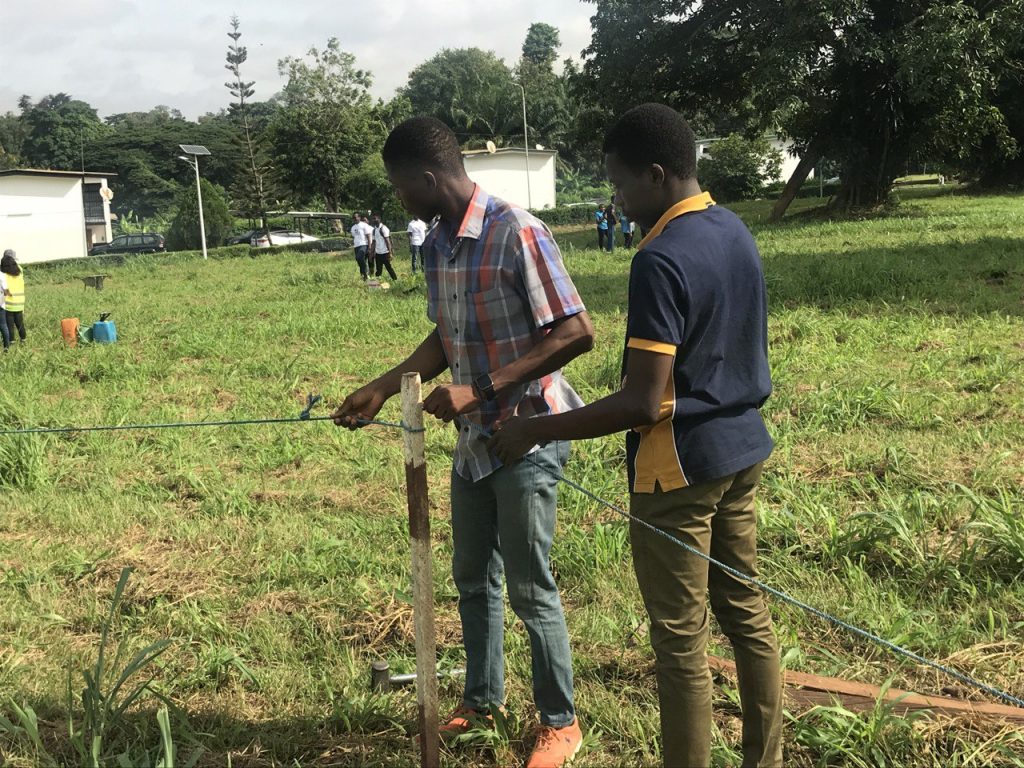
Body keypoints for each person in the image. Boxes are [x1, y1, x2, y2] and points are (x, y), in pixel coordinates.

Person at [490, 103, 783, 768]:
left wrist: (537, 427)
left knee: (681, 642)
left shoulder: (660, 257)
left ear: (656, 175)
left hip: (677, 470)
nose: (617, 201)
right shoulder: (733, 229)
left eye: (620, 185)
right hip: (740, 453)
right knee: (747, 615)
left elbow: (644, 401)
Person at [334, 115, 593, 768]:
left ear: (427, 177)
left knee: (531, 587)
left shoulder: (516, 231)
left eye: (399, 188)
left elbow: (574, 333)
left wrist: (481, 389)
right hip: (474, 444)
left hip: (527, 435)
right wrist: (385, 387)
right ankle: (483, 700)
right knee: (473, 577)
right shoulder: (438, 244)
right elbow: (444, 338)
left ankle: (560, 722)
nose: (398, 201)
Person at [1, 250, 24, 345]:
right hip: (20, 302)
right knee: (20, 324)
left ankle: (12, 342)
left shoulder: (3, 272)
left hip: (8, 302)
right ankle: (23, 340)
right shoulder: (20, 269)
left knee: (9, 325)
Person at [370, 213, 399, 281]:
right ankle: (376, 284)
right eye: (373, 219)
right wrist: (371, 253)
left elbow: (387, 241)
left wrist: (390, 253)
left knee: (389, 268)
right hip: (378, 253)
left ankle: (395, 280)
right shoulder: (374, 230)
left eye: (375, 218)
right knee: (378, 270)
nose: (373, 220)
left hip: (385, 253)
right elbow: (374, 242)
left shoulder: (383, 228)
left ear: (379, 219)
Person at [350, 214, 374, 280]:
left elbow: (369, 236)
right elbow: (354, 237)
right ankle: (363, 276)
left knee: (359, 257)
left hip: (364, 244)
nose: (355, 219)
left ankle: (366, 272)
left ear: (359, 218)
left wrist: (369, 247)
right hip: (356, 246)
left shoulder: (364, 225)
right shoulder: (353, 227)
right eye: (353, 218)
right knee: (359, 260)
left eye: (356, 217)